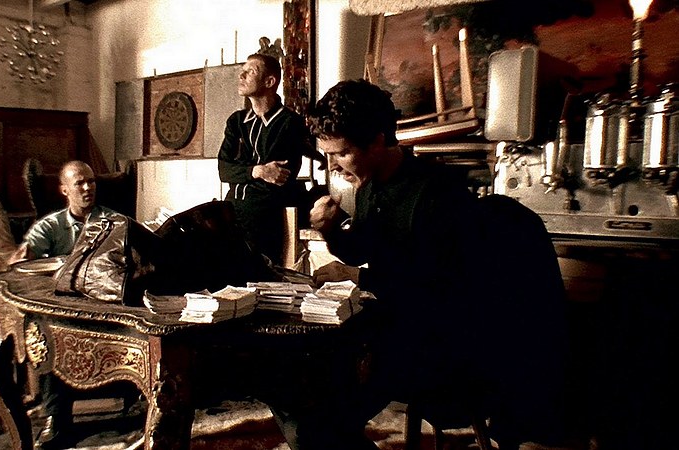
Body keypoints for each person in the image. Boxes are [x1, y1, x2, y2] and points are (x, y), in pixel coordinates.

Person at [291, 79, 571, 450]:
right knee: (307, 397)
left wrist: (359, 277)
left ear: (376, 141)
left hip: (444, 347)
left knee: (319, 418)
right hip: (402, 329)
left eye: (341, 153)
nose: (333, 166)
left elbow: (438, 285)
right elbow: (365, 249)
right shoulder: (370, 184)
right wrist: (330, 230)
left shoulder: (438, 192)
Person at [10, 160, 135, 450]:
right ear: (64, 190)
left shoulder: (114, 221)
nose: (88, 187)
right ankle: (56, 417)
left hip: (105, 303)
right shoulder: (51, 226)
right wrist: (24, 258)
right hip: (63, 305)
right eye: (80, 183)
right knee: (46, 330)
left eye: (91, 181)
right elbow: (20, 262)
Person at [217, 52, 322, 266]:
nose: (241, 75)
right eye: (242, 71)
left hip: (262, 217)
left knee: (258, 275)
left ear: (270, 81)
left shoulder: (289, 123)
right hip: (230, 212)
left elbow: (275, 180)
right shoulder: (237, 121)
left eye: (250, 71)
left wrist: (241, 171)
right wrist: (257, 170)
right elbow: (223, 170)